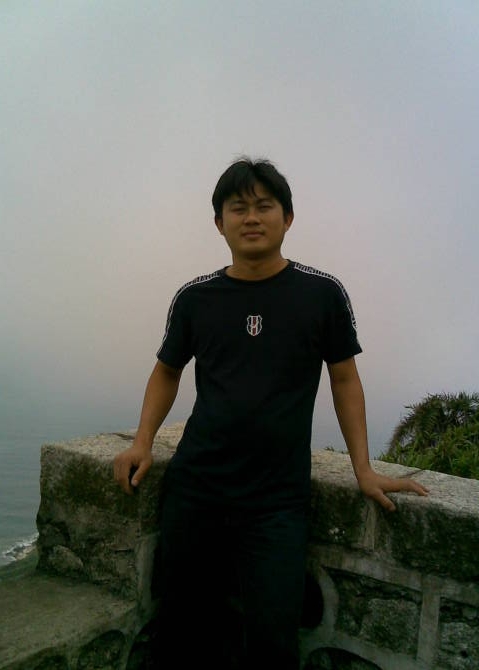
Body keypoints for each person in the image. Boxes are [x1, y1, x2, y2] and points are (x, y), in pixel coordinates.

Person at [113, 157, 428, 669]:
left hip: (277, 502)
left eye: (264, 206)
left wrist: (364, 469)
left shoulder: (321, 294)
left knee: (273, 643)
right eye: (238, 208)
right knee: (181, 634)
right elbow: (166, 371)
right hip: (195, 490)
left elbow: (345, 380)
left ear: (288, 218)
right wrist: (143, 442)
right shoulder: (195, 298)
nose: (252, 217)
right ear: (220, 223)